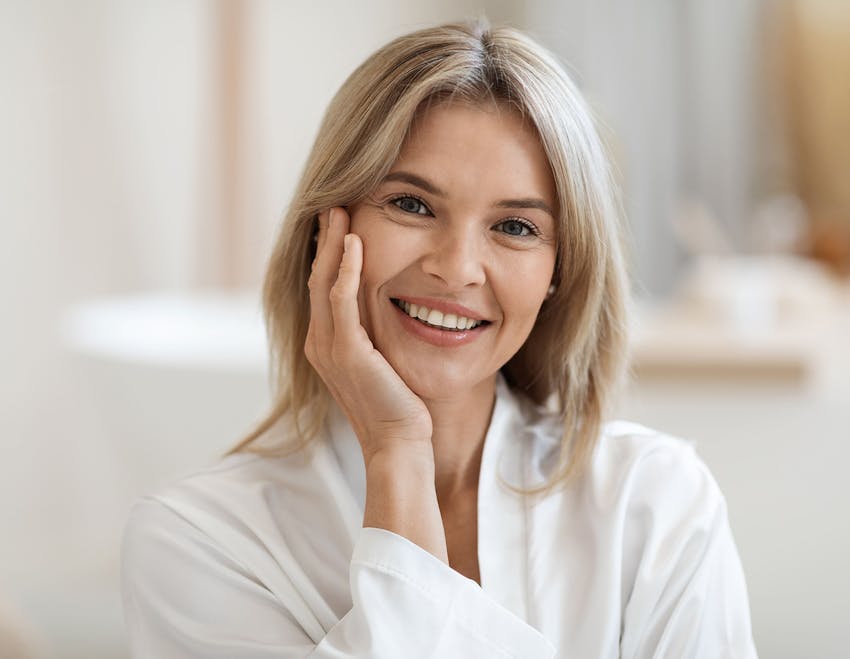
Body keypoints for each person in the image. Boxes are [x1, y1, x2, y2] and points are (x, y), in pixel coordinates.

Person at [121, 20, 758, 658]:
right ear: (328, 230)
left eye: (514, 225)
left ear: (559, 272)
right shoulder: (199, 541)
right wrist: (397, 451)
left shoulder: (656, 504)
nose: (456, 268)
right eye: (413, 205)